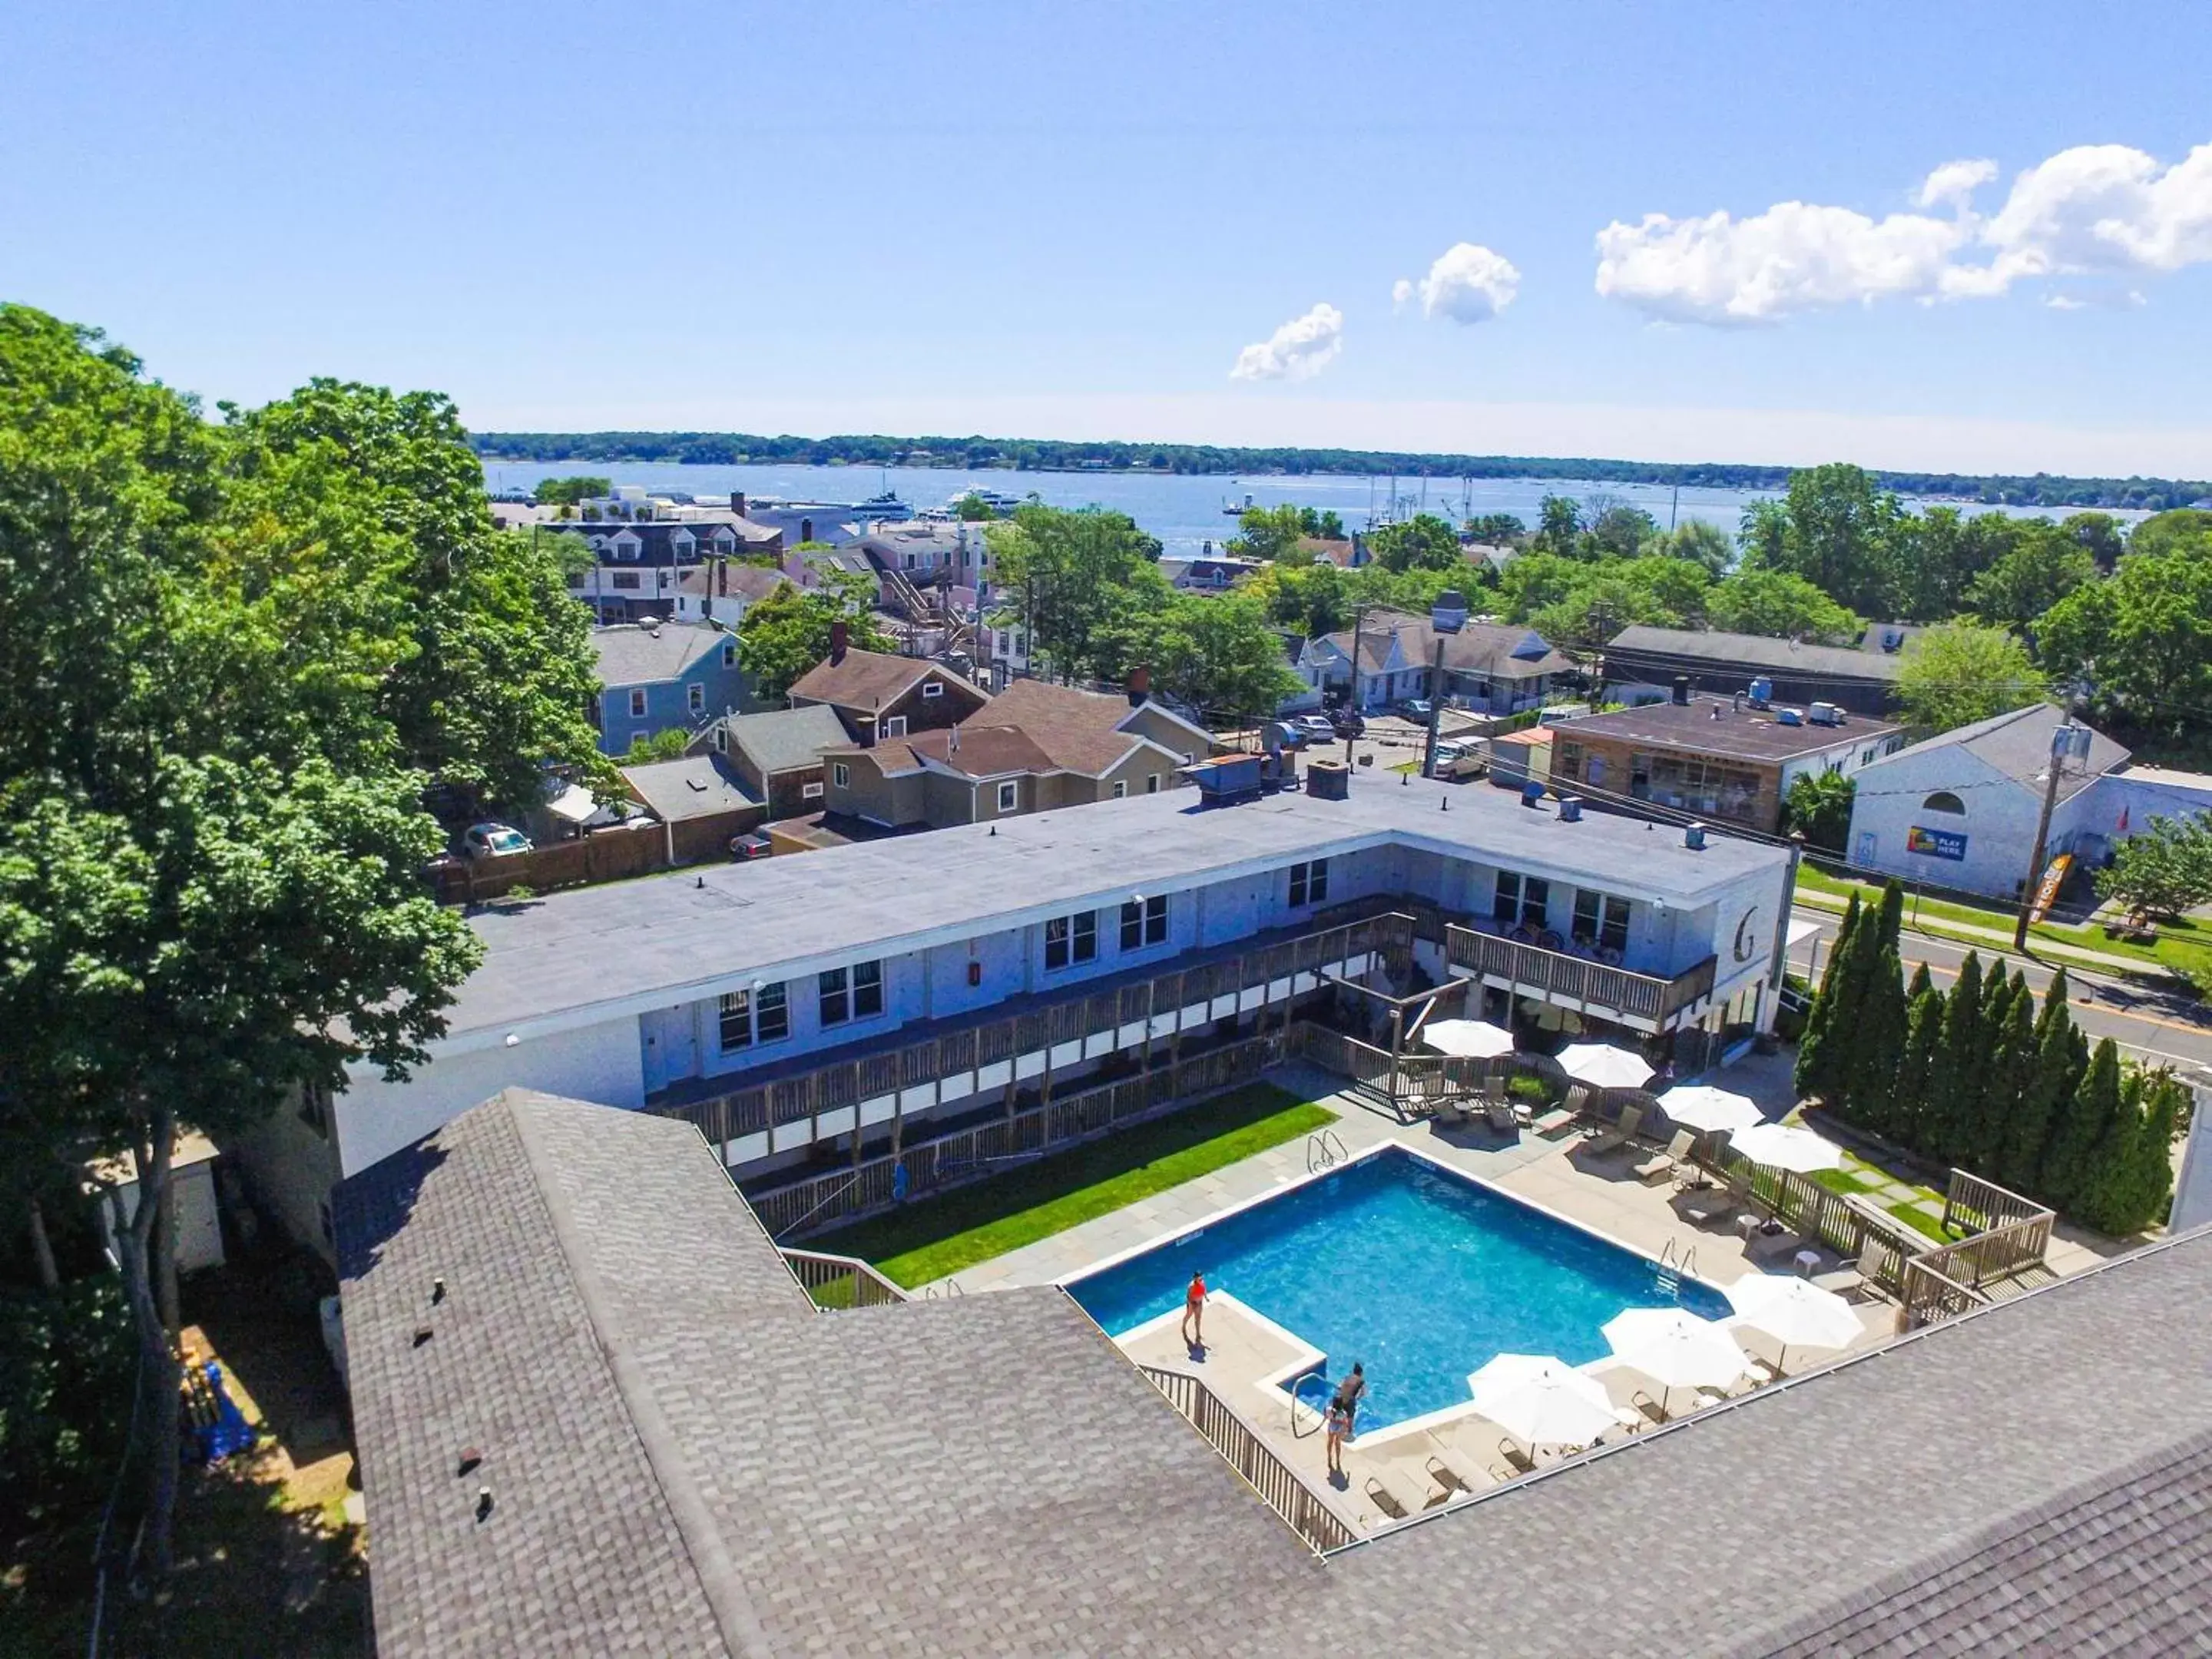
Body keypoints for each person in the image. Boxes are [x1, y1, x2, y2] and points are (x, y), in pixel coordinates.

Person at [1330, 1362, 1366, 1429]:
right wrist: (1357, 1398)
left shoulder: (1347, 1377)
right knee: (1350, 1417)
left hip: (1341, 1397)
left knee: (1338, 1412)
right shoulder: (1361, 1381)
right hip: (1350, 1400)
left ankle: (1335, 1426)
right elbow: (1363, 1393)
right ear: (1361, 1373)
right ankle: (1349, 1430)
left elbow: (1339, 1386)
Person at [1323, 1396, 1350, 1480]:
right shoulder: (1343, 1413)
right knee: (1337, 1443)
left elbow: (1326, 1416)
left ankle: (1329, 1458)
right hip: (1339, 1428)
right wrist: (1346, 1429)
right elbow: (1345, 1422)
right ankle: (1338, 1460)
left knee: (1330, 1441)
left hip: (1332, 1426)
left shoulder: (1329, 1409)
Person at [1181, 1270, 1207, 1350]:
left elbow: (1204, 1289)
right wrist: (1191, 1305)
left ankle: (1198, 1334)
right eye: (1198, 1277)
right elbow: (1188, 1296)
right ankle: (1184, 1326)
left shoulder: (1202, 1282)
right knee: (1189, 1315)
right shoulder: (1191, 1286)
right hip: (1192, 1303)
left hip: (1199, 1302)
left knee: (1198, 1318)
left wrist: (1206, 1297)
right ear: (1195, 1278)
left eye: (1201, 1277)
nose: (1200, 1279)